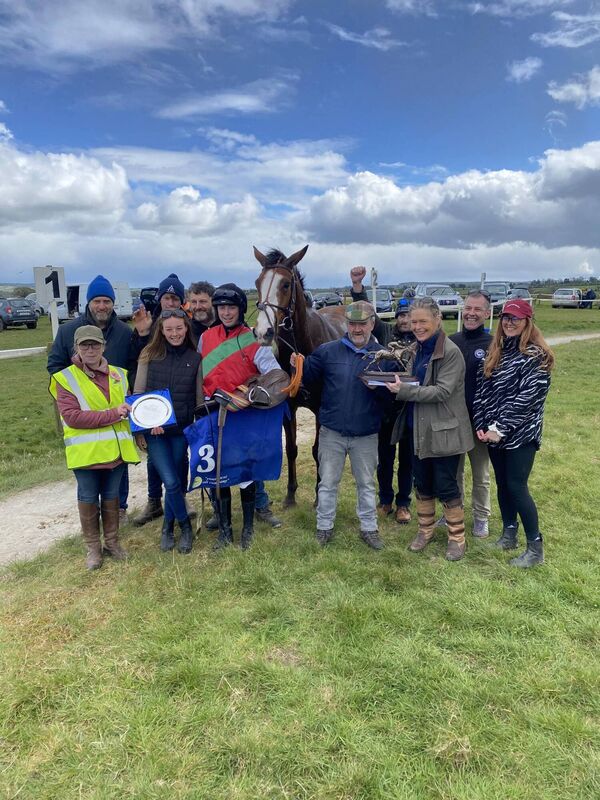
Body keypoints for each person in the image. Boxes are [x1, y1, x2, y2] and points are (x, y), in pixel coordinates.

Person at [293, 301, 396, 550]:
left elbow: (391, 400)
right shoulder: (327, 352)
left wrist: (385, 392)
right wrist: (297, 364)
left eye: (362, 323)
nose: (357, 328)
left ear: (372, 323)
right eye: (352, 323)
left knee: (366, 484)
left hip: (366, 434)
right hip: (332, 433)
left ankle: (369, 529)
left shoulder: (384, 357)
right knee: (327, 483)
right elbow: (308, 378)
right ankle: (324, 527)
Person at [387, 297, 473, 561]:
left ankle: (457, 538)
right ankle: (425, 531)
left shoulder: (450, 351)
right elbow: (415, 381)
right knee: (421, 483)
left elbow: (442, 391)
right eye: (414, 322)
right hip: (418, 430)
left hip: (445, 431)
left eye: (423, 321)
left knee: (446, 485)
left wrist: (403, 391)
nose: (417, 326)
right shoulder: (417, 349)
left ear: (437, 320)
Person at [200, 283, 284, 549]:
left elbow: (273, 375)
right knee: (220, 474)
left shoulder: (254, 339)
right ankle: (225, 531)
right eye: (222, 307)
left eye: (231, 308)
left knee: (246, 472)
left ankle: (247, 529)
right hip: (215, 414)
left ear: (240, 310)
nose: (226, 312)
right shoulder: (206, 338)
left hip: (243, 414)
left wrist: (247, 392)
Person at [49, 325, 139, 570]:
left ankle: (111, 543)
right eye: (85, 345)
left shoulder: (119, 374)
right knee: (88, 498)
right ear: (75, 348)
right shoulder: (64, 378)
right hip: (87, 455)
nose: (90, 350)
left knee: (112, 498)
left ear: (103, 346)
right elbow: (73, 418)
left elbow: (130, 408)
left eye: (95, 344)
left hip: (117, 452)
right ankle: (93, 549)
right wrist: (112, 414)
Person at [473, 299, 554, 568]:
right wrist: (482, 424)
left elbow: (527, 399)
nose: (509, 322)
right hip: (494, 434)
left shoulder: (536, 357)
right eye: (506, 317)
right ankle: (509, 533)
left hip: (521, 435)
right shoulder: (495, 352)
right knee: (503, 485)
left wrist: (499, 428)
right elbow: (482, 392)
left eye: (515, 318)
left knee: (517, 486)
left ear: (527, 322)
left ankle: (535, 547)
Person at [47, 275, 134, 522]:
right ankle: (92, 522)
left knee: (119, 461)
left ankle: (120, 508)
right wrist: (70, 394)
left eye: (107, 301)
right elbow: (54, 366)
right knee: (88, 474)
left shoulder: (124, 332)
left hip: (116, 412)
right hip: (82, 410)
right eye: (97, 301)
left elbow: (131, 366)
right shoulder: (67, 331)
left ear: (113, 303)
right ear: (89, 303)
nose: (102, 306)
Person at [133, 309, 201, 554]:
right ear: (161, 330)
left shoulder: (195, 358)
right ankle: (183, 527)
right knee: (171, 482)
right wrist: (144, 427)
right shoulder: (148, 355)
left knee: (179, 482)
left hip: (181, 431)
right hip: (156, 433)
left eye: (179, 328)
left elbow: (198, 399)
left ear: (186, 329)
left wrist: (198, 432)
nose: (174, 333)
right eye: (169, 329)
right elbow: (138, 394)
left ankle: (167, 526)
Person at [130, 273, 190, 526]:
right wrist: (142, 333)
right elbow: (138, 357)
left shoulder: (185, 325)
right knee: (155, 458)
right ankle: (154, 500)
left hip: (178, 404)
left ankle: (180, 499)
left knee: (179, 457)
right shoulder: (148, 322)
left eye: (175, 298)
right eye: (167, 297)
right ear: (161, 299)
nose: (170, 302)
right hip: (152, 403)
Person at [446, 289, 493, 538]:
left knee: (481, 474)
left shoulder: (494, 344)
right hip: (453, 420)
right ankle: (454, 512)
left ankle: (481, 517)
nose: (471, 314)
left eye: (477, 309)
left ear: (487, 313)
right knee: (455, 472)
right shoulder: (451, 340)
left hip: (480, 422)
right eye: (468, 308)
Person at [376, 299, 415, 524]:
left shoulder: (421, 339)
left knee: (407, 461)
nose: (405, 320)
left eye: (409, 316)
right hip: (386, 410)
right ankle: (385, 500)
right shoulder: (386, 333)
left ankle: (403, 504)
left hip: (409, 409)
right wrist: (358, 289)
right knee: (385, 459)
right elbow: (370, 314)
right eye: (401, 315)